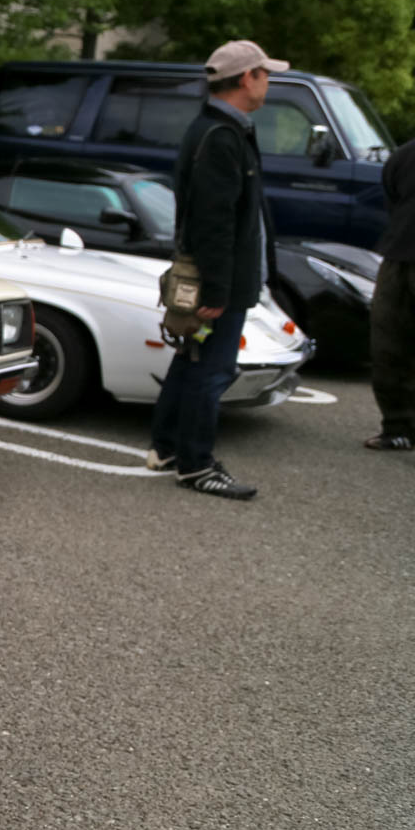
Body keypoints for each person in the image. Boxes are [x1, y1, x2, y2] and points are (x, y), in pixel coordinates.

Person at [147, 40, 284, 500]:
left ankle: (167, 448)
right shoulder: (222, 137)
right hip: (217, 283)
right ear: (246, 78)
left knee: (192, 359)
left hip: (216, 278)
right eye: (265, 74)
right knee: (211, 370)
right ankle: (196, 465)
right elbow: (214, 221)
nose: (269, 82)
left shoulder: (218, 129)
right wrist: (218, 290)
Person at [367, 135, 415, 450]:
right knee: (388, 345)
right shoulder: (406, 155)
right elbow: (393, 196)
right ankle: (398, 427)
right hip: (399, 256)